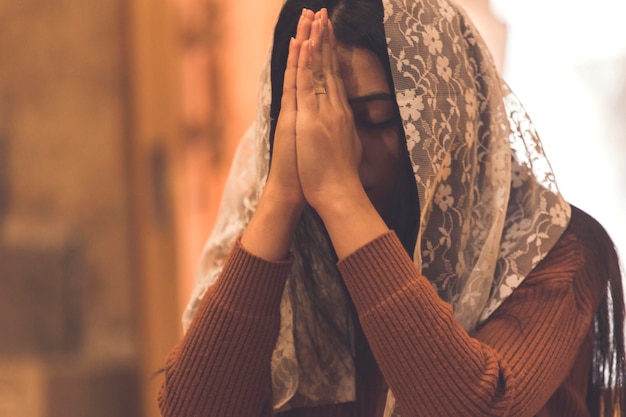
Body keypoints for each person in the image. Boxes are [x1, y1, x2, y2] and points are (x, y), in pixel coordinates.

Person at [158, 0, 625, 415]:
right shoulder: (284, 240)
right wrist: (279, 197)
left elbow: (476, 407)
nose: (343, 152)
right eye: (318, 123)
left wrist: (342, 198)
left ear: (445, 115)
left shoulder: (555, 249)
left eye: (376, 119)